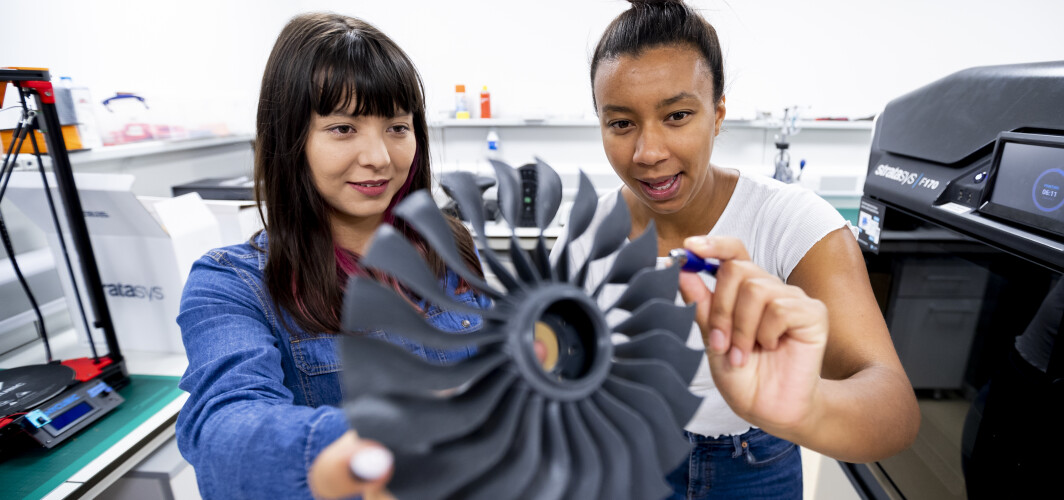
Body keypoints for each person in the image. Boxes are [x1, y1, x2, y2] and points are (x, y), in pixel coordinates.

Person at [555, 1, 921, 498]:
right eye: (621, 123)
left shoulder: (792, 222)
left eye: (677, 115)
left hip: (754, 465)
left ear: (718, 114)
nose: (649, 152)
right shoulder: (584, 235)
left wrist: (805, 406)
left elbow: (893, 408)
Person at [175, 13, 489, 500]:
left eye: (397, 127)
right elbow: (225, 434)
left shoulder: (448, 244)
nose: (380, 157)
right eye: (343, 128)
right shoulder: (232, 284)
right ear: (290, 139)